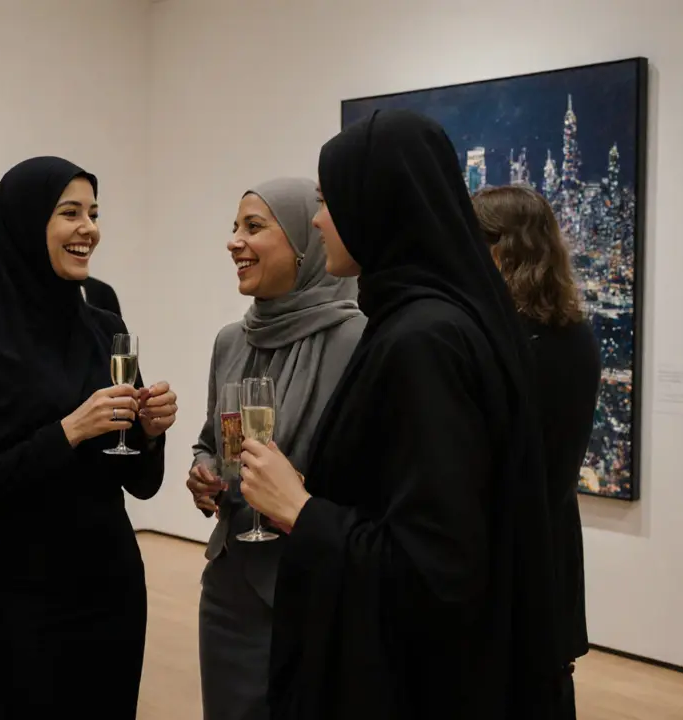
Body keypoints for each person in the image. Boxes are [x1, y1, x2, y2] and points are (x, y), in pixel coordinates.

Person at [238, 110, 562, 718]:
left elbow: (435, 566)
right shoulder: (435, 319)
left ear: (376, 204)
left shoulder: (422, 340)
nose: (318, 219)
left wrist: (301, 510)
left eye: (328, 200)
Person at [0, 156, 178, 717]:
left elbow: (141, 483)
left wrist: (149, 431)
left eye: (94, 213)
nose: (89, 228)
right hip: (21, 594)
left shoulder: (105, 328)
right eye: (70, 213)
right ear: (25, 223)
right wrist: (69, 431)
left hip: (111, 584)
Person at [187, 177, 365, 720]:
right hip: (229, 587)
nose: (234, 241)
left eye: (254, 226)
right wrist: (204, 473)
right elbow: (211, 442)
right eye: (234, 227)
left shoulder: (358, 341)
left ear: (304, 244)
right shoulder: (230, 340)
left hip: (310, 591)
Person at [474, 184, 601, 718]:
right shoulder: (575, 335)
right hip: (551, 551)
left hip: (508, 564)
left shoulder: (506, 343)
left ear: (500, 251)